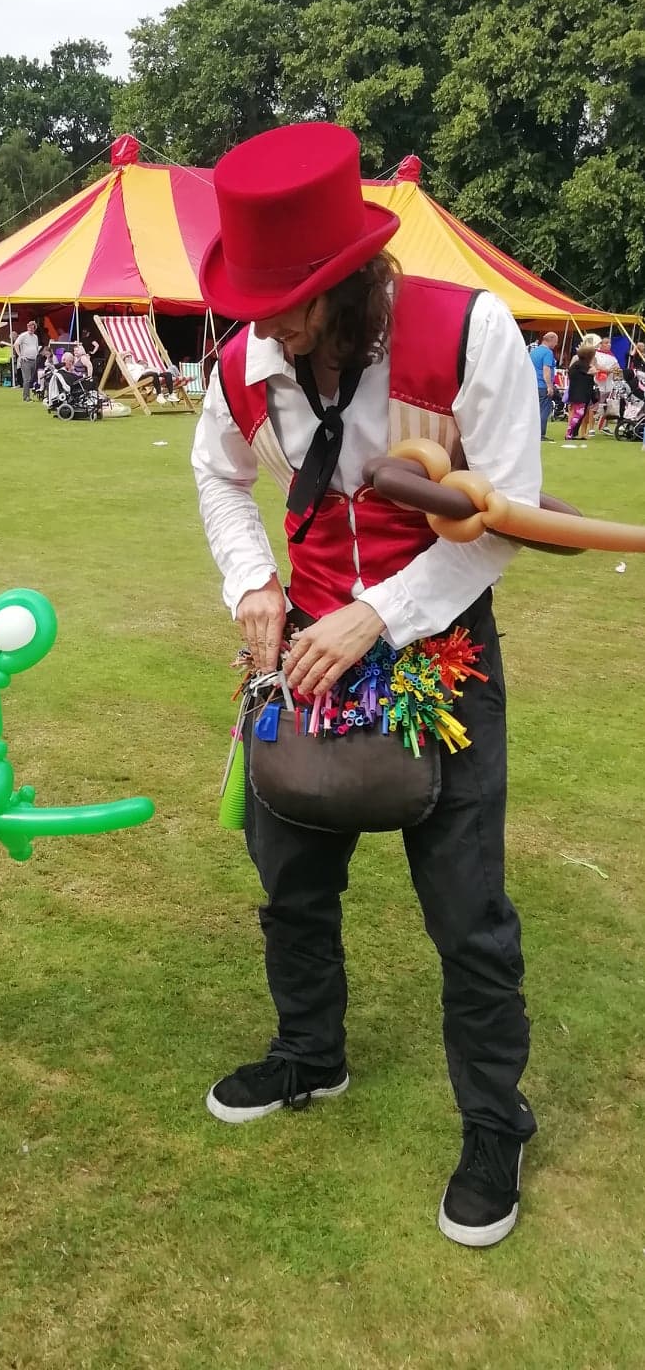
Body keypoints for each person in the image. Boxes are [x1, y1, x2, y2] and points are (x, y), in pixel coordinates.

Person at [191, 122, 540, 1248]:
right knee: (290, 874)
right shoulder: (246, 360)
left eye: (289, 305)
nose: (268, 328)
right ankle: (311, 1054)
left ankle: (495, 1123)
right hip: (305, 646)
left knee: (467, 913)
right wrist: (254, 579)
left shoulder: (471, 333)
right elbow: (218, 474)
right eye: (256, 305)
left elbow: (504, 524)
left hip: (440, 648)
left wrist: (377, 614)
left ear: (351, 278)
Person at [564, 342, 597, 443]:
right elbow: (593, 371)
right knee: (578, 413)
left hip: (583, 393)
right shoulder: (580, 364)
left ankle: (573, 433)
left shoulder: (580, 364)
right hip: (579, 393)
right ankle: (569, 433)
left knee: (580, 414)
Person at [527, 332, 557, 441]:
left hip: (533, 384)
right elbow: (546, 369)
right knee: (544, 410)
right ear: (551, 340)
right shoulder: (548, 352)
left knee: (534, 410)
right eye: (555, 342)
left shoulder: (534, 352)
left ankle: (531, 433)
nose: (556, 344)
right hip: (542, 385)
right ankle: (540, 434)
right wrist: (549, 386)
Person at [591, 336, 620, 435]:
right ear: (601, 344)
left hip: (609, 384)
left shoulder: (613, 357)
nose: (609, 345)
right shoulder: (596, 354)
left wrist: (616, 372)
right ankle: (591, 428)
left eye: (609, 343)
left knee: (608, 406)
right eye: (606, 343)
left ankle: (605, 426)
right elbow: (595, 366)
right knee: (595, 406)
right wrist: (607, 370)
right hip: (598, 383)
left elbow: (617, 367)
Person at [14, 321, 40, 402]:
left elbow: (36, 347)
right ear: (27, 327)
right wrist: (20, 355)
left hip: (33, 360)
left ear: (35, 329)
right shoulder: (23, 335)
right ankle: (26, 397)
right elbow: (16, 344)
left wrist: (36, 353)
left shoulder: (35, 337)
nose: (31, 329)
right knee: (27, 379)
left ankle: (27, 395)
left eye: (32, 328)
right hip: (26, 360)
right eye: (29, 327)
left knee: (30, 379)